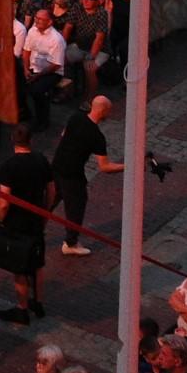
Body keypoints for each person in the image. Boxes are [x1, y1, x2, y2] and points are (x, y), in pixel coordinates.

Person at [0, 122, 54, 322]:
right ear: (31, 140)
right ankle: (39, 302)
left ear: (12, 140)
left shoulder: (9, 166)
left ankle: (22, 308)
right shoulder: (41, 160)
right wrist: (45, 213)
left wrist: (1, 220)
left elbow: (4, 201)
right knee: (37, 263)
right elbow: (51, 190)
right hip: (36, 220)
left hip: (16, 223)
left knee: (19, 268)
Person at [52, 96, 123, 255]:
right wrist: (128, 167)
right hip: (72, 175)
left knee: (49, 200)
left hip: (56, 167)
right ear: (103, 111)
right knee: (75, 208)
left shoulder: (76, 117)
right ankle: (70, 243)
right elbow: (105, 167)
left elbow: (64, 134)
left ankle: (34, 227)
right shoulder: (96, 136)